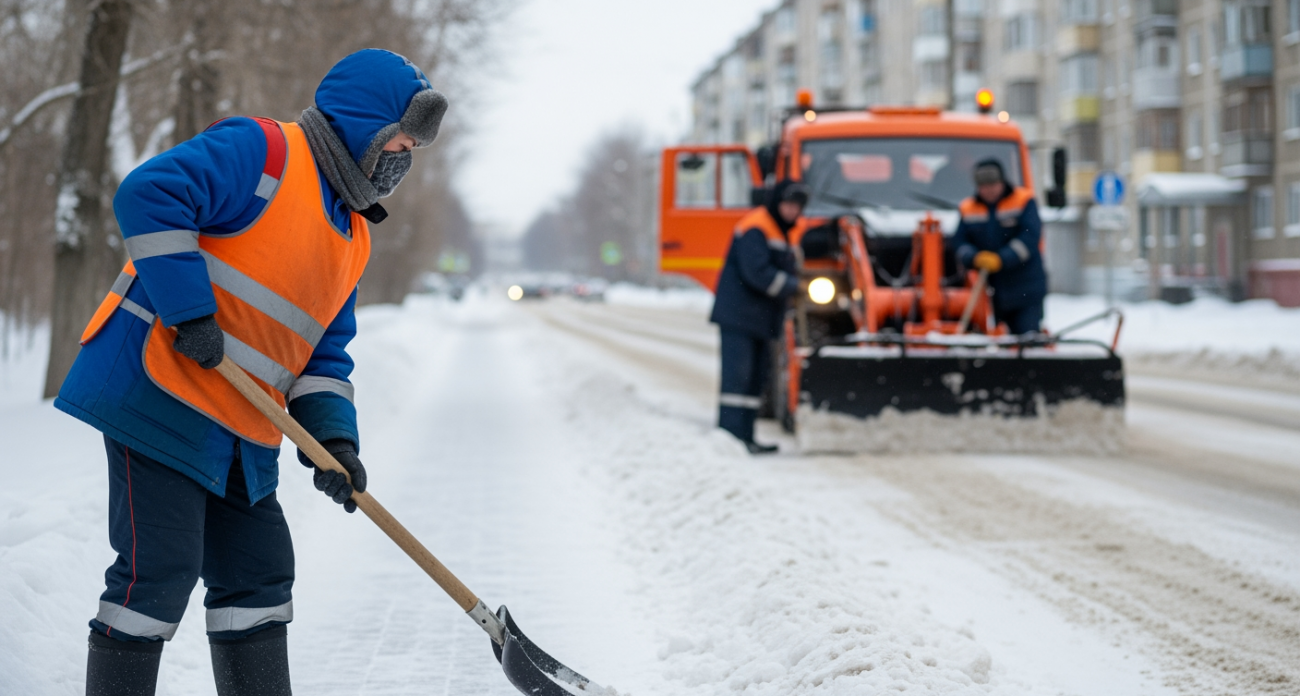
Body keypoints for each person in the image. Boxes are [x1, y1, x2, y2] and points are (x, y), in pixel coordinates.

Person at [55, 49, 447, 695]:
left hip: (242, 422)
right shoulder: (263, 151)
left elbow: (323, 354)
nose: (406, 152)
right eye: (402, 136)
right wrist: (191, 311)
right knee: (158, 571)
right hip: (160, 394)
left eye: (414, 144)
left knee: (260, 573)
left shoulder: (352, 233)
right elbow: (149, 195)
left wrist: (335, 442)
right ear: (363, 124)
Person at [708, 181, 808, 455]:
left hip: (760, 320)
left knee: (755, 380)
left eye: (797, 207)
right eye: (788, 205)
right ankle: (728, 439)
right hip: (739, 317)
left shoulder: (784, 231)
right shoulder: (757, 225)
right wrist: (793, 287)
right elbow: (757, 273)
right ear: (777, 203)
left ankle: (746, 438)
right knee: (737, 380)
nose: (792, 211)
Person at [949, 158, 1048, 334]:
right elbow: (959, 242)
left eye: (993, 185)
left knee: (1026, 337)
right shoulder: (968, 208)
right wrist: (973, 257)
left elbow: (1030, 237)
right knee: (999, 339)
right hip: (993, 292)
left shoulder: (1023, 201)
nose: (989, 191)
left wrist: (1002, 259)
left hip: (1025, 288)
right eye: (984, 186)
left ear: (1002, 182)